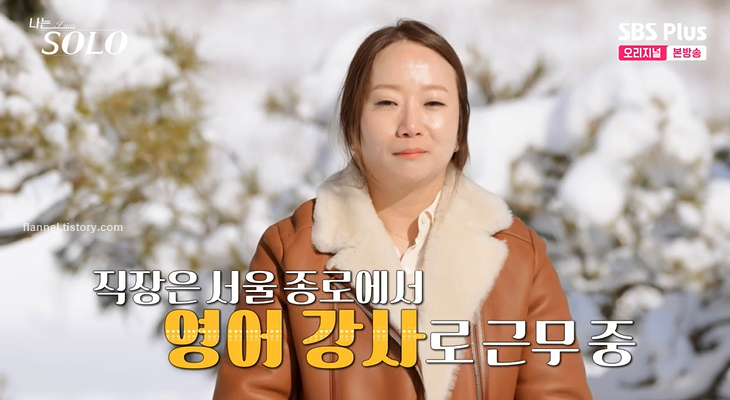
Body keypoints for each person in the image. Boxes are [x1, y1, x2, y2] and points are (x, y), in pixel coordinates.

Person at [212, 18, 593, 400]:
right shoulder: (290, 253)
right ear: (353, 127)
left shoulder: (519, 257)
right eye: (387, 103)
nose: (411, 125)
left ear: (460, 128)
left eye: (433, 103)